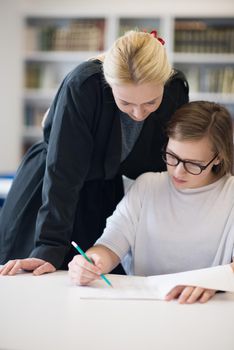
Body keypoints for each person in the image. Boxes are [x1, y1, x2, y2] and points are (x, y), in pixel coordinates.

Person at [0, 30, 189, 276]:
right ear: (109, 85)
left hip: (103, 189)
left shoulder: (175, 89)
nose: (139, 113)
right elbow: (63, 173)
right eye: (126, 103)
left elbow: (167, 162)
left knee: (92, 277)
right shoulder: (84, 85)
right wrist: (48, 247)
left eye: (150, 103)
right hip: (50, 193)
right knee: (38, 279)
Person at [68, 101, 234, 304]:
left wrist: (211, 281)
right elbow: (110, 244)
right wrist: (92, 262)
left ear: (218, 158)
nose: (178, 171)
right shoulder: (147, 185)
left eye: (193, 164)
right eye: (172, 156)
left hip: (210, 310)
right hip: (146, 309)